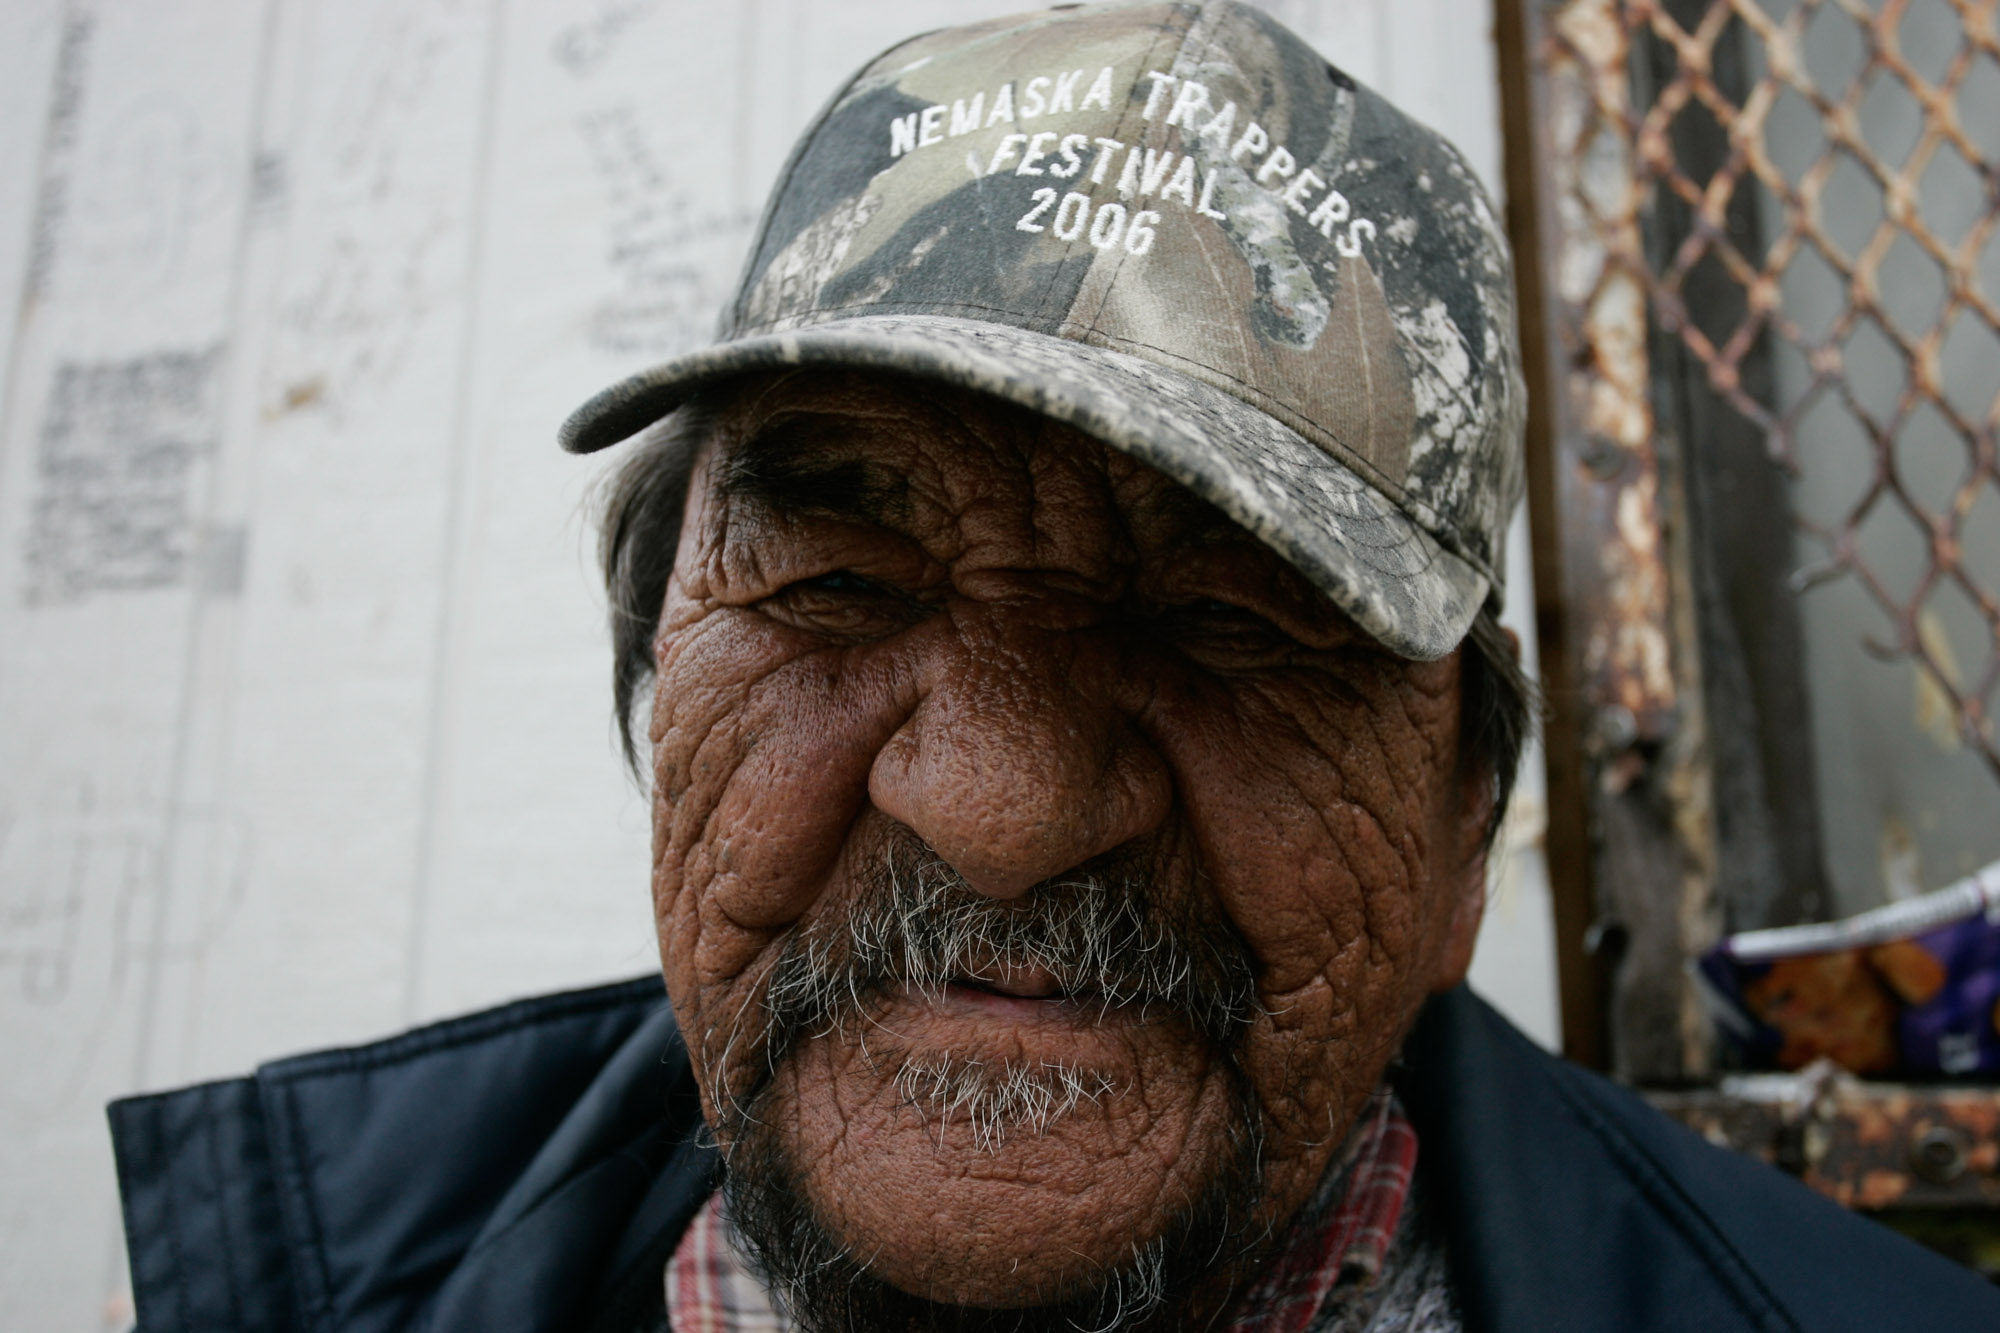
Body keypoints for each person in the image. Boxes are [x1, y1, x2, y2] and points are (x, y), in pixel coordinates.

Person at [107, 4, 2000, 1330]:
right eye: (839, 587)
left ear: (1457, 828)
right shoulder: (271, 1275)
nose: (999, 813)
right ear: (656, 678)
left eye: (1225, 628)